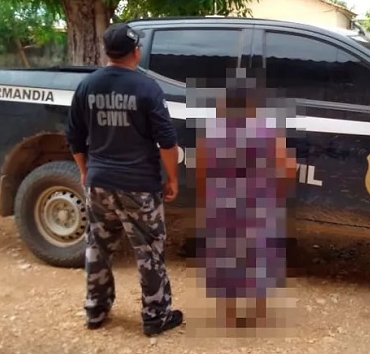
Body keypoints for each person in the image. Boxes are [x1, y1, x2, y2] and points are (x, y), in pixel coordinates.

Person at [65, 22, 184, 337]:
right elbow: (168, 142)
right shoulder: (147, 88)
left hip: (99, 182)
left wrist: (84, 171)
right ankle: (156, 316)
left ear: (107, 52)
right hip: (139, 185)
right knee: (148, 249)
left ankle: (95, 310)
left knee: (97, 246)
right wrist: (172, 178)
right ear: (136, 52)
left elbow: (74, 137)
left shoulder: (87, 86)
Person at [193, 72, 297, 329]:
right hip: (259, 206)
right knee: (259, 257)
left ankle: (228, 315)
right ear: (253, 105)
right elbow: (288, 167)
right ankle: (258, 314)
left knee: (224, 258)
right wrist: (279, 192)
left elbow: (202, 170)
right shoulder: (268, 131)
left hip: (222, 207)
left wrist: (205, 199)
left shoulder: (213, 133)